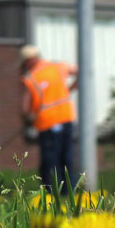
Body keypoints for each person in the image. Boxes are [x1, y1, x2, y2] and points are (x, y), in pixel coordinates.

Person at [20, 45, 78, 193]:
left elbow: (25, 109)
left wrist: (27, 120)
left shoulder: (30, 78)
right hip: (66, 118)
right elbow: (79, 71)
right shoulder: (58, 67)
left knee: (50, 160)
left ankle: (52, 192)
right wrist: (69, 89)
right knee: (67, 157)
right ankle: (70, 191)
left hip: (47, 123)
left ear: (27, 61)